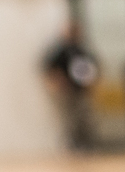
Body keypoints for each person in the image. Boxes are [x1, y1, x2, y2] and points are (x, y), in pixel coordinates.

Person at [41, 23, 99, 152]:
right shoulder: (60, 51)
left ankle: (85, 144)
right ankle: (72, 145)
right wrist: (56, 82)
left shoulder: (81, 50)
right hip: (67, 91)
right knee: (70, 120)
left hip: (81, 90)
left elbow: (92, 66)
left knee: (84, 118)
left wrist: (91, 81)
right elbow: (49, 67)